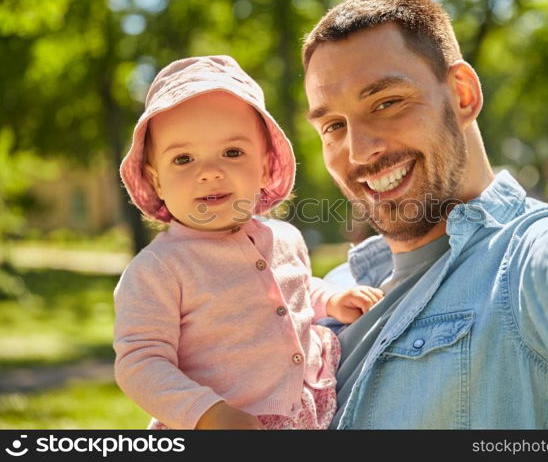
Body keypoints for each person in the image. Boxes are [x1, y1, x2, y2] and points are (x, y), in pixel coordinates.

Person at [301, 0, 548, 429]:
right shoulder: (325, 294)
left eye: (386, 103)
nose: (358, 151)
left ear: (462, 94)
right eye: (333, 125)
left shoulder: (523, 263)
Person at [113, 55, 383, 430]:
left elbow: (295, 290)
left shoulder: (285, 237)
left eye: (233, 152)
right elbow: (140, 362)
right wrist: (207, 413)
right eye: (184, 158)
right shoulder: (159, 269)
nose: (209, 172)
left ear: (264, 166)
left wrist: (330, 300)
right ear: (156, 180)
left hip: (306, 411)